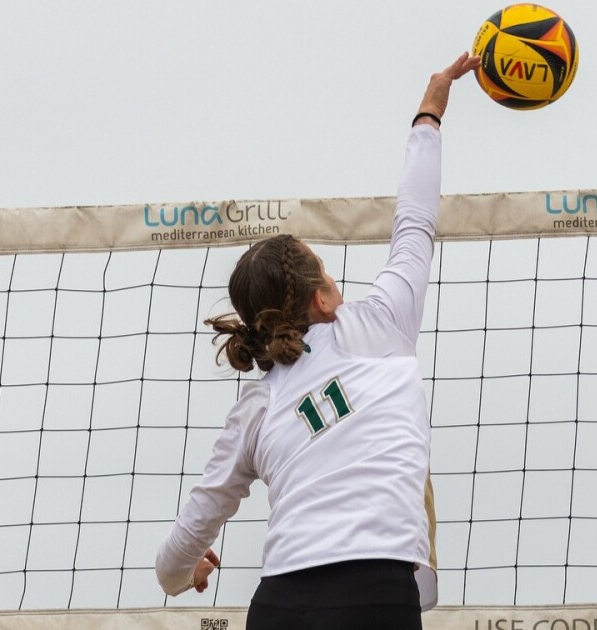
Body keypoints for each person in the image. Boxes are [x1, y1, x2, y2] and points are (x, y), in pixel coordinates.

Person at [156, 52, 481, 630]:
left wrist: (179, 576)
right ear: (321, 299)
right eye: (327, 272)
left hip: (282, 605)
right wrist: (429, 113)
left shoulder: (257, 407)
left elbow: (191, 528)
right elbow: (415, 219)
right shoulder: (381, 322)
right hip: (375, 596)